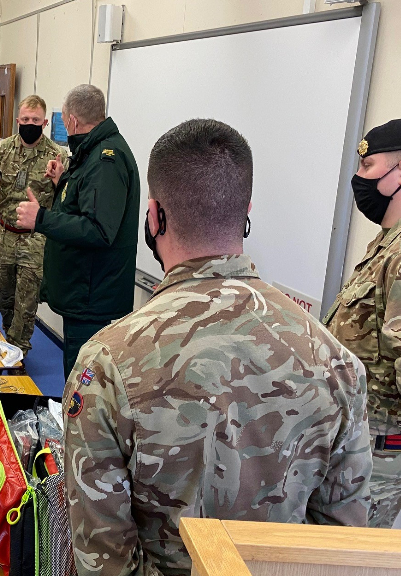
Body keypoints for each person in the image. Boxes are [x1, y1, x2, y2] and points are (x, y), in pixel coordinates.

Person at [63, 119, 372, 576]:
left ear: (155, 216)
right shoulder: (335, 359)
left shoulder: (107, 363)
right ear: (245, 210)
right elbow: (339, 540)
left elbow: (101, 556)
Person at [324, 117, 401, 528]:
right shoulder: (395, 241)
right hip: (357, 450)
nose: (358, 177)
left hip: (375, 460)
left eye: (368, 167)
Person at [15, 84, 139, 378]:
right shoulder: (93, 152)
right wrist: (62, 183)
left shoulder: (105, 159)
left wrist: (41, 218)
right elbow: (88, 206)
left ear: (70, 120)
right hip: (83, 292)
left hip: (91, 296)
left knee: (82, 383)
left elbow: (98, 229)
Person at [0, 95, 66, 355]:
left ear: (45, 122)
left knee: (26, 301)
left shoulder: (57, 155)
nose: (30, 124)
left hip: (36, 238)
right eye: (25, 119)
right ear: (17, 121)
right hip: (6, 235)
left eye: (35, 120)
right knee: (3, 292)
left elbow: (68, 198)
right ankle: (11, 336)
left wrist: (58, 182)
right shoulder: (4, 149)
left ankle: (17, 351)